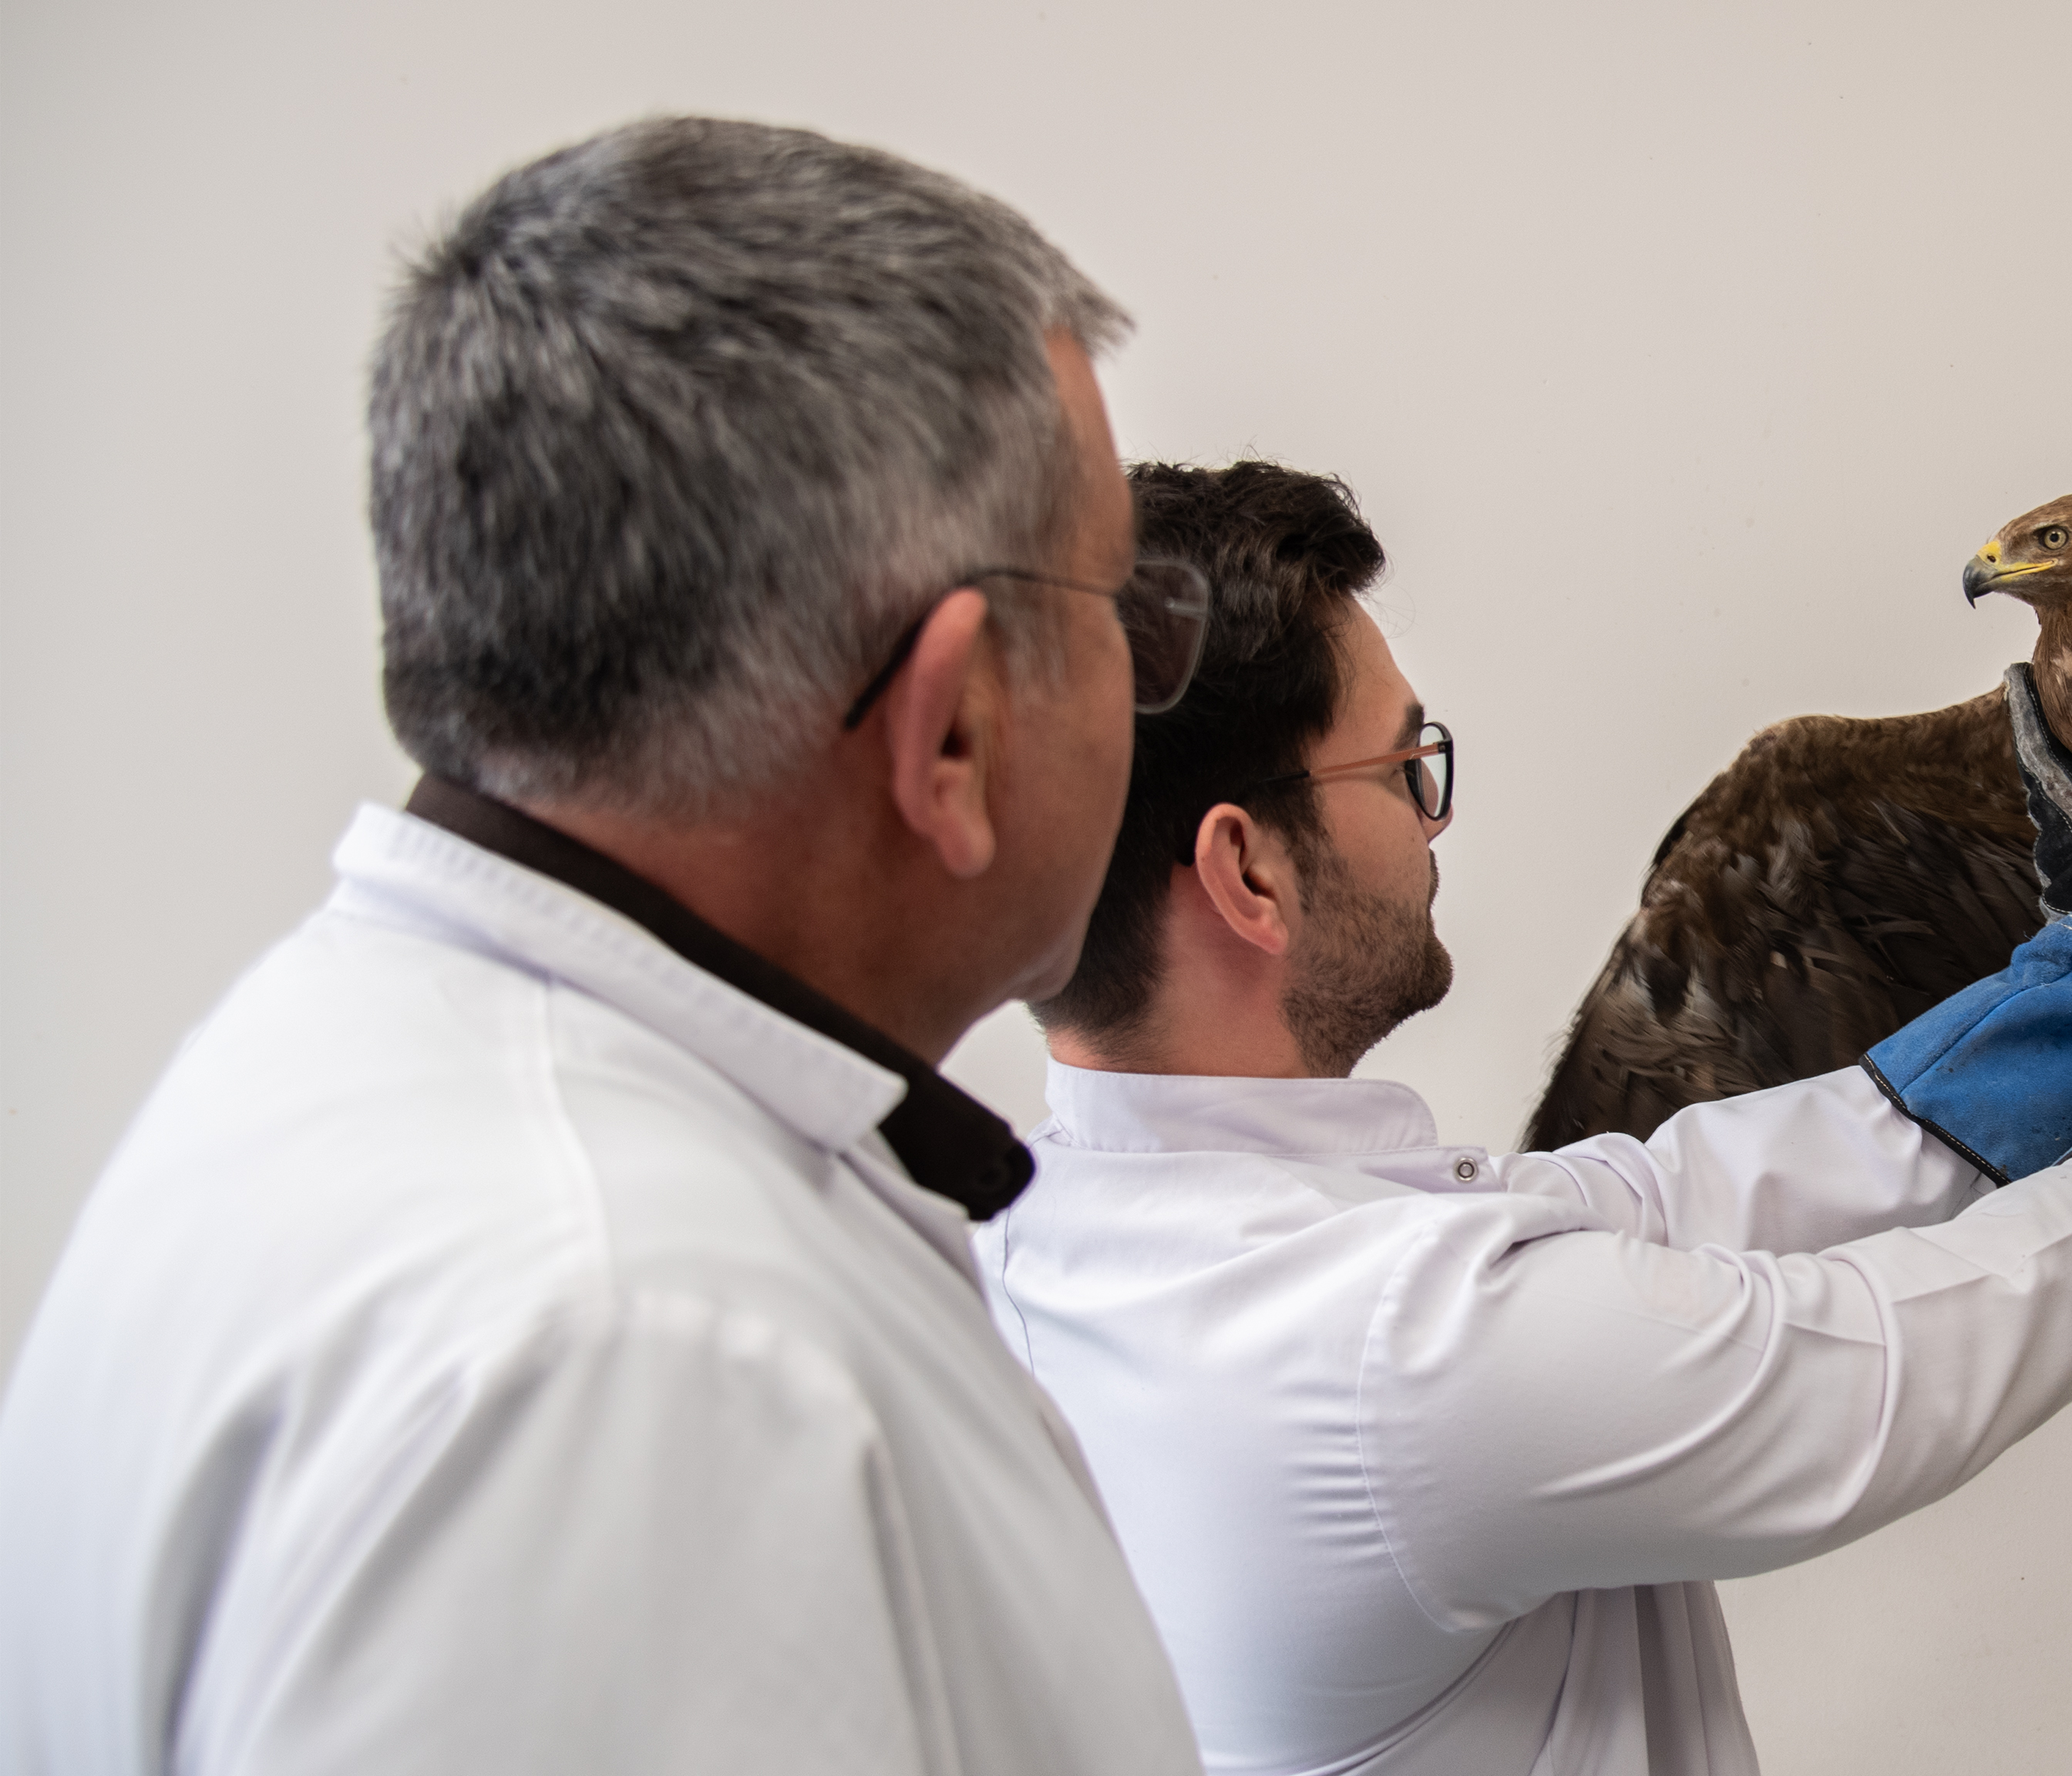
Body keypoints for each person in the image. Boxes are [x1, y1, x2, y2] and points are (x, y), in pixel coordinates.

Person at [977, 461, 2072, 1774]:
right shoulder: (1369, 1354)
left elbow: (1658, 1202)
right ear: (1247, 872)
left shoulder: (1065, 1242)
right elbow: (1884, 1364)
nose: (1435, 815)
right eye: (1399, 768)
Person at [0, 119, 1211, 1774]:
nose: (1143, 688)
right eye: (1116, 607)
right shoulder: (636, 1357)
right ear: (949, 732)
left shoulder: (354, 1069)